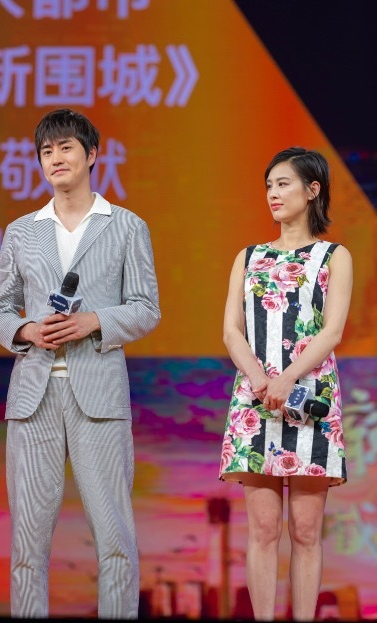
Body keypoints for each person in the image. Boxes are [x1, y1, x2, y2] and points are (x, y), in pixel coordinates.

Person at [0, 108, 160, 619]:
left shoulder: (126, 226)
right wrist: (25, 330)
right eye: (46, 151)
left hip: (99, 394)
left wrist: (94, 321)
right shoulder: (22, 231)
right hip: (33, 398)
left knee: (115, 539)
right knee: (27, 544)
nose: (55, 158)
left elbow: (146, 308)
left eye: (65, 148)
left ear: (92, 155)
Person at [219, 147, 352, 621]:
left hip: (310, 398)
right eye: (269, 186)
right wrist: (259, 379)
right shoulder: (249, 256)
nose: (273, 194)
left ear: (312, 190)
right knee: (263, 530)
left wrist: (287, 378)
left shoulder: (333, 257)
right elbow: (231, 331)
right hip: (255, 400)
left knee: (305, 531)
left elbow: (332, 332)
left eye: (283, 184)